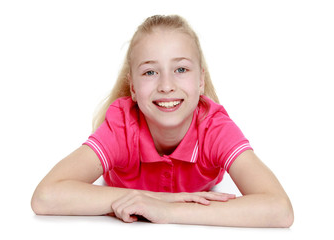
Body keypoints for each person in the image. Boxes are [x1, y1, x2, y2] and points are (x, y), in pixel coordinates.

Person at [31, 15, 294, 227]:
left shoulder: (214, 126)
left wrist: (168, 211)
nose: (166, 85)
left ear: (200, 80)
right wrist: (164, 198)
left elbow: (279, 209)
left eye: (181, 69)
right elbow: (45, 197)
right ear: (133, 88)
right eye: (150, 72)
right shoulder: (123, 125)